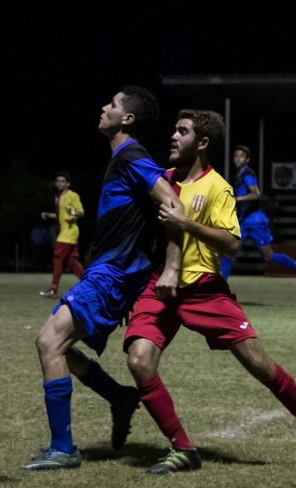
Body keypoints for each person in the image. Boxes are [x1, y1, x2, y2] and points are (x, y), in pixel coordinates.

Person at [124, 109, 296, 475]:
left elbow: (230, 244)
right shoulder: (160, 180)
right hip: (159, 286)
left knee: (260, 365)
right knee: (139, 361)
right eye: (174, 131)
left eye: (182, 131)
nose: (173, 137)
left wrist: (186, 222)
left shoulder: (218, 187)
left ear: (203, 142)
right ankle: (183, 449)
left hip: (204, 290)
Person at [23, 86, 184, 471]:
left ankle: (63, 449)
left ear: (127, 118)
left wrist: (171, 267)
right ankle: (118, 396)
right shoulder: (121, 157)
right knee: (57, 347)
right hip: (109, 271)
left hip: (114, 274)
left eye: (112, 104)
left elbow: (173, 203)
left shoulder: (132, 155)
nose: (103, 107)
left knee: (49, 342)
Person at [220, 145, 296, 289]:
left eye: (241, 156)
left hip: (255, 220)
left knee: (268, 255)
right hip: (244, 220)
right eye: (235, 155)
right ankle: (219, 288)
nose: (238, 158)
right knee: (228, 251)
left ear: (247, 159)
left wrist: (238, 199)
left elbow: (256, 194)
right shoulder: (238, 175)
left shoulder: (247, 174)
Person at [39, 171, 85, 297]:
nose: (60, 183)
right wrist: (49, 215)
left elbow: (81, 212)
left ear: (68, 184)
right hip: (64, 232)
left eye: (63, 181)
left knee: (57, 258)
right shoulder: (58, 197)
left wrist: (74, 213)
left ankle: (53, 288)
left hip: (69, 232)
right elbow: (61, 216)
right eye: (58, 181)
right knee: (72, 262)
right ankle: (91, 285)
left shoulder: (72, 195)